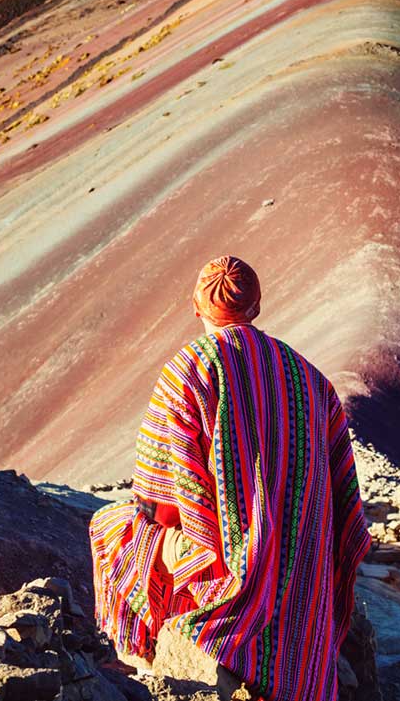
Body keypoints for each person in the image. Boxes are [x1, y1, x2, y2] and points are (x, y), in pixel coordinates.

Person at [90, 255, 370, 701]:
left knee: (111, 530)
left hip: (223, 565)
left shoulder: (189, 369)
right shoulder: (311, 378)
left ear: (195, 308)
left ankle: (151, 664)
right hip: (304, 575)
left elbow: (156, 503)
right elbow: (345, 497)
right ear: (256, 308)